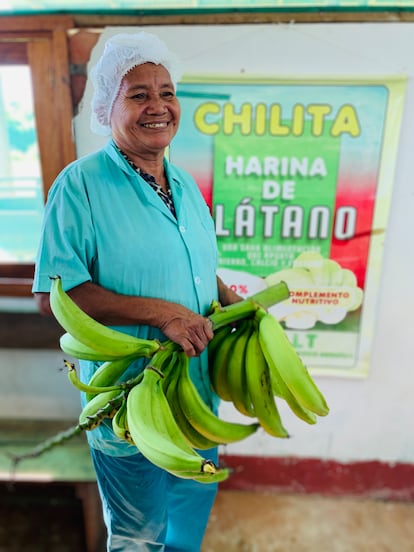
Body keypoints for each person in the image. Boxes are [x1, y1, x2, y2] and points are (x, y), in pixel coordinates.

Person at [32, 31, 241, 551]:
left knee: (188, 518)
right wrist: (160, 314)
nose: (158, 106)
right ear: (108, 105)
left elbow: (192, 266)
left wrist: (224, 295)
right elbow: (53, 295)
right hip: (131, 400)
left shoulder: (185, 183)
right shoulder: (79, 186)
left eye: (166, 92)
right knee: (138, 535)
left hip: (195, 392)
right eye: (139, 93)